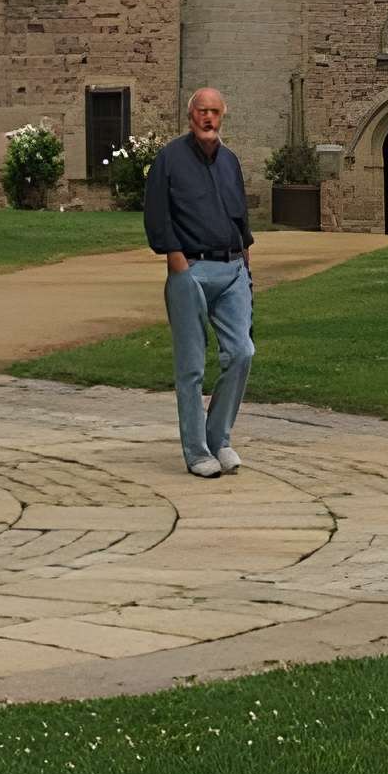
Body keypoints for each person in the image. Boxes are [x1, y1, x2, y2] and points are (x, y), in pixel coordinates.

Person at [142, 86, 254, 479]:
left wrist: (246, 265)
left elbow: (241, 218)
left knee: (242, 353)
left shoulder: (230, 162)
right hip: (190, 269)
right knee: (190, 367)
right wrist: (176, 262)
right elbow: (157, 214)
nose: (208, 119)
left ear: (223, 116)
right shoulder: (169, 159)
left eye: (214, 112)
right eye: (201, 112)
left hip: (232, 267)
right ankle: (196, 451)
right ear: (191, 116)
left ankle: (218, 438)